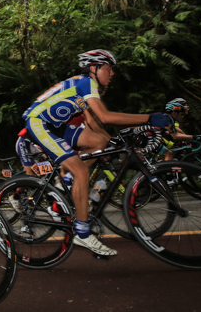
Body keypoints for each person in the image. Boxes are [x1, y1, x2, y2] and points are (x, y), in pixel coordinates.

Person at [22, 49, 172, 256]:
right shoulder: (86, 82)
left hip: (56, 126)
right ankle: (82, 233)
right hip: (39, 123)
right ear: (95, 68)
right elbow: (105, 116)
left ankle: (67, 181)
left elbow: (95, 122)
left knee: (101, 143)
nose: (112, 73)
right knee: (82, 173)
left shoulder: (84, 84)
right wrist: (149, 118)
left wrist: (115, 139)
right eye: (109, 68)